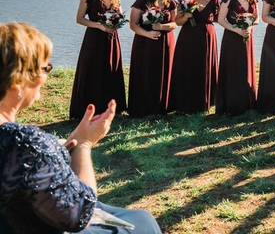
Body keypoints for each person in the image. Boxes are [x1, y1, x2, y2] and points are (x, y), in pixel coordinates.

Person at [0, 22, 161, 234]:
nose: (45, 77)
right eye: (45, 68)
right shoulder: (24, 144)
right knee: (142, 223)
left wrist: (61, 150)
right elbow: (79, 213)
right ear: (17, 80)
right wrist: (83, 145)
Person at [69, 0, 127, 120]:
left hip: (112, 39)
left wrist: (116, 23)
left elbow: (120, 16)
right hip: (94, 39)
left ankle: (112, 109)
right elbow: (80, 19)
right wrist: (100, 26)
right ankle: (89, 109)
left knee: (111, 69)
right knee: (93, 70)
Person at [169, 0, 220, 114]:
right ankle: (184, 102)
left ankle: (204, 102)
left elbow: (219, 19)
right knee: (187, 66)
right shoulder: (185, 0)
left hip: (207, 38)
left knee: (204, 67)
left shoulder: (215, 1)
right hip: (188, 37)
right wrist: (186, 15)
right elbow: (177, 22)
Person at [127, 0, 178, 117]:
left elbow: (175, 23)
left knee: (164, 72)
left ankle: (162, 106)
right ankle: (142, 107)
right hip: (144, 43)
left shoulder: (171, 3)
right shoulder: (141, 3)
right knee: (145, 71)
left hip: (165, 43)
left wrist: (162, 26)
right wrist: (148, 34)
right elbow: (133, 25)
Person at [216, 0, 259, 116]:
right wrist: (237, 30)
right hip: (232, 39)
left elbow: (257, 19)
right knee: (233, 68)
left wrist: (249, 27)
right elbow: (221, 20)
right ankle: (232, 103)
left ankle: (247, 101)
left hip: (247, 37)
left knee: (246, 67)